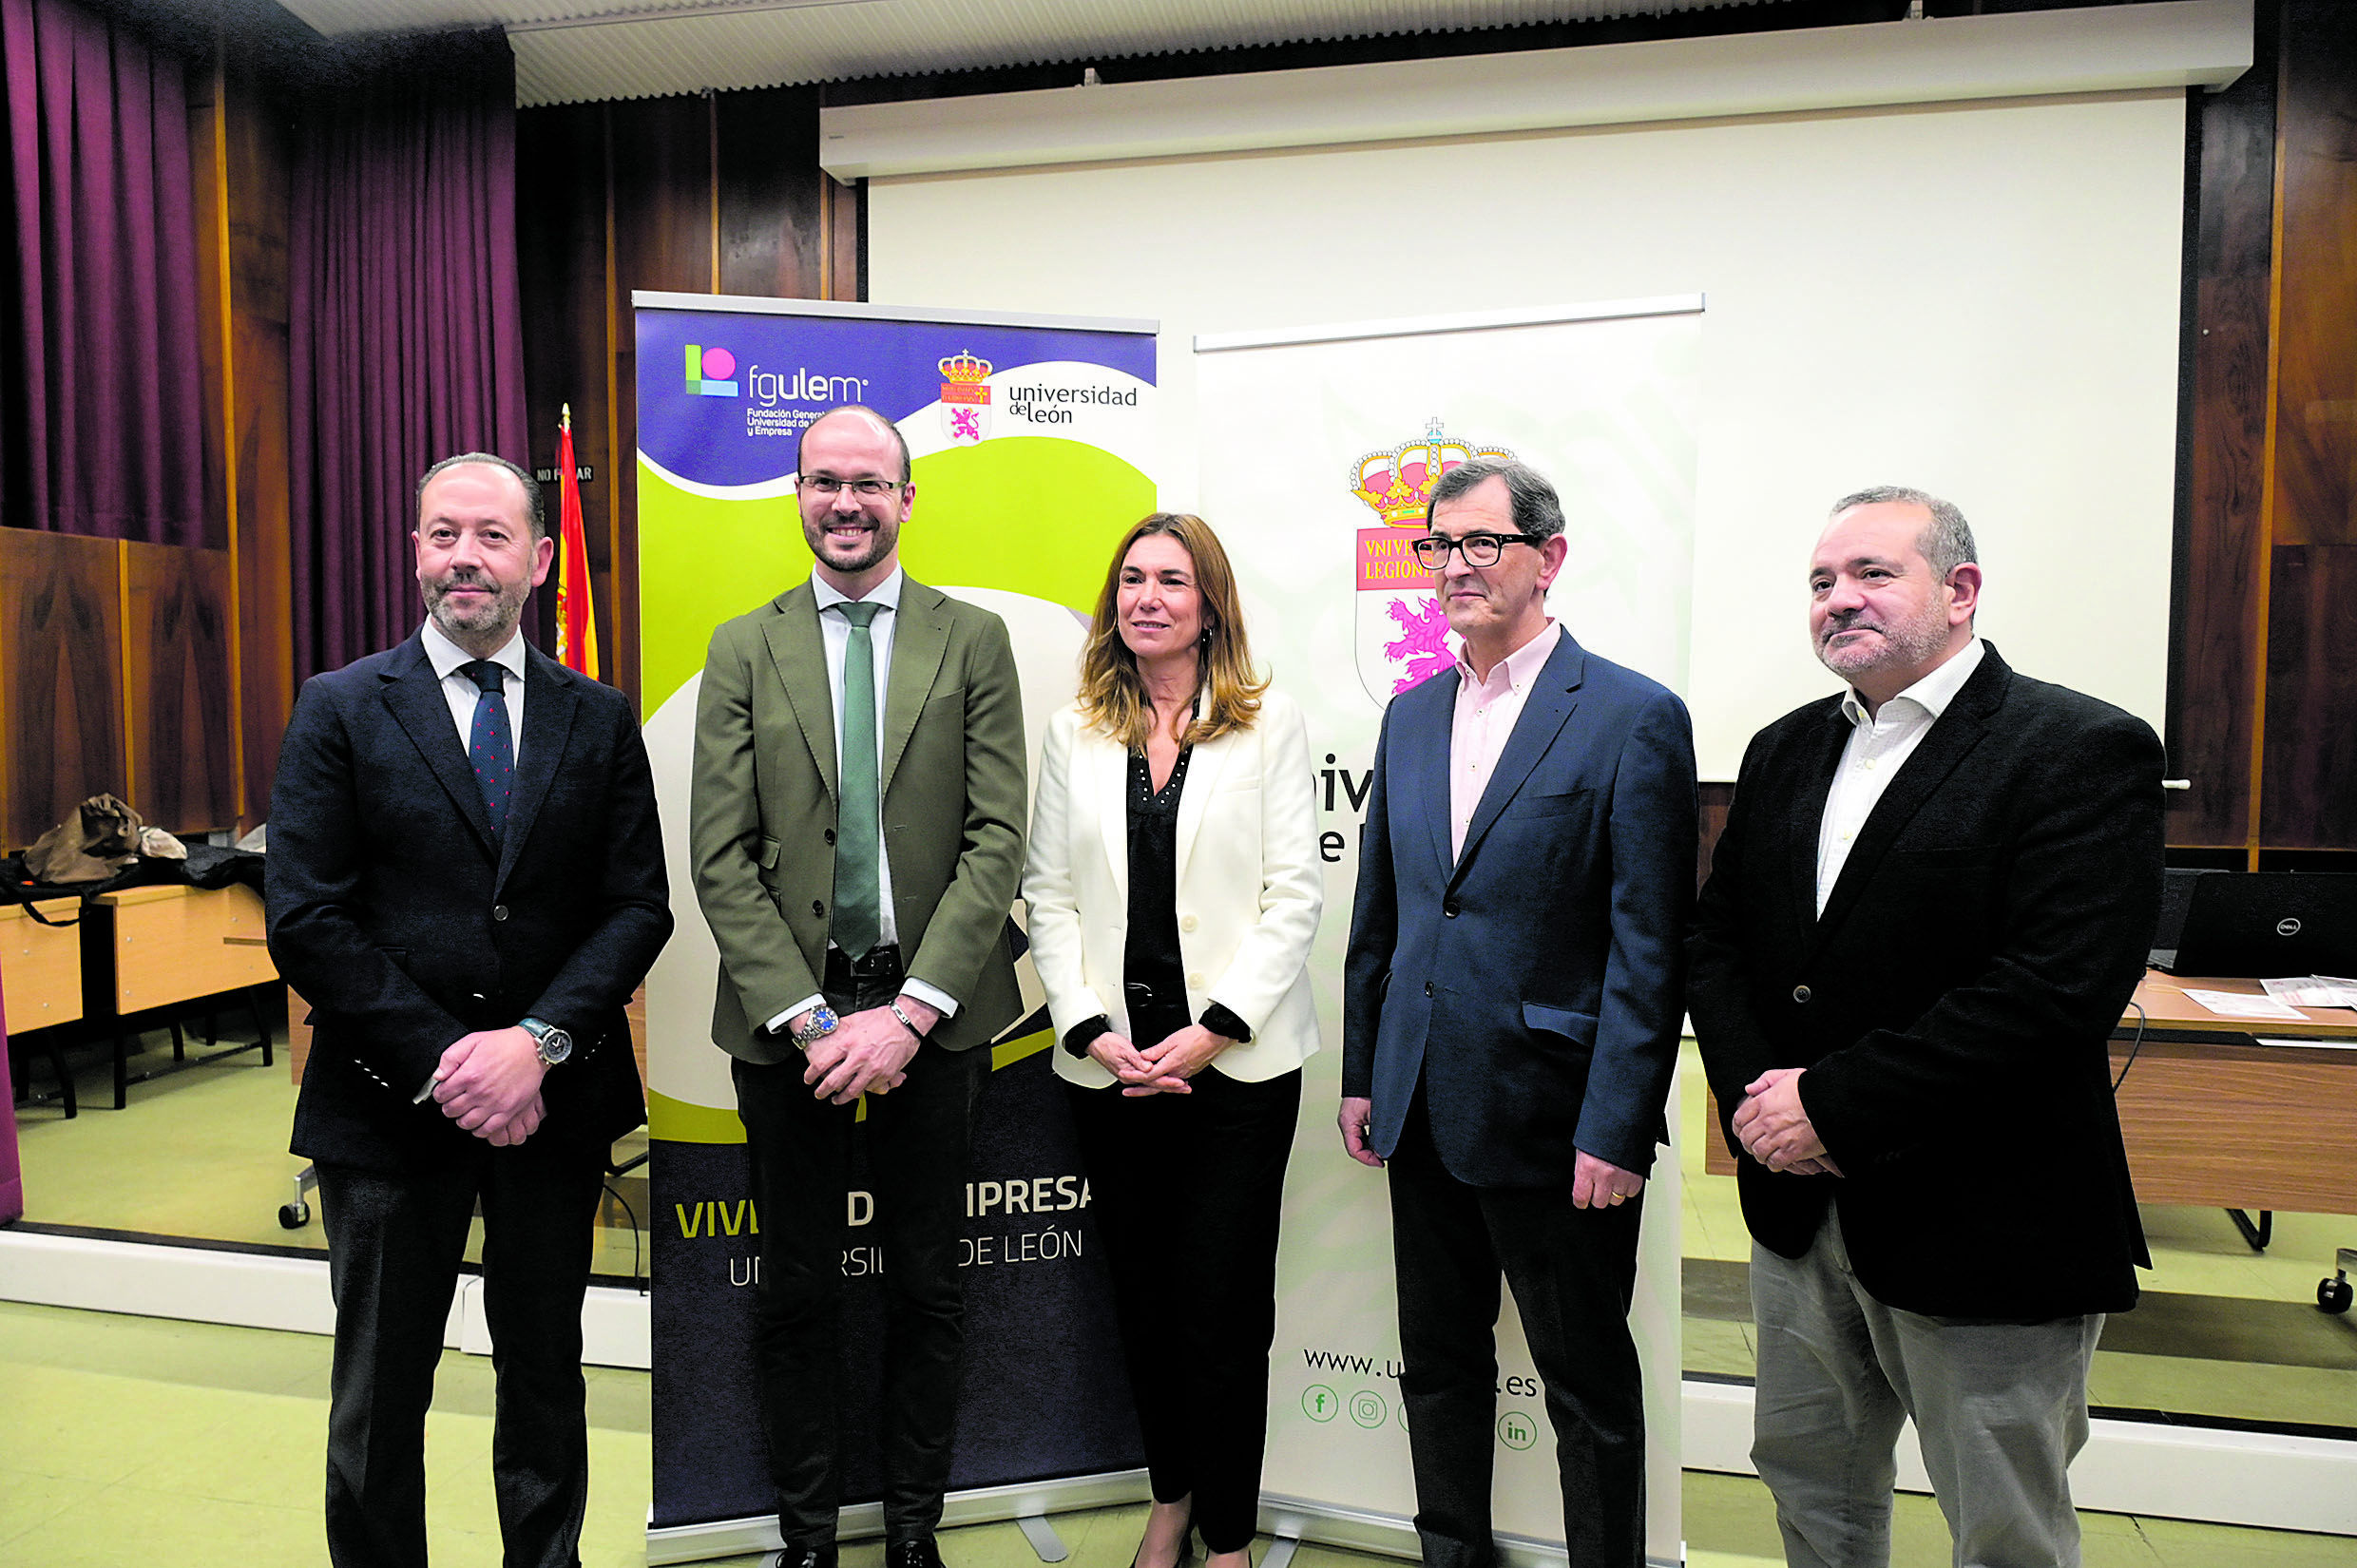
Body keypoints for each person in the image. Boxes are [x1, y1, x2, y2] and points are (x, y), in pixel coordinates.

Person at [1687, 486, 2161, 1568]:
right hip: (1798, 1213)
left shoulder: (2078, 745)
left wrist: (1827, 1105)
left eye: (1869, 574)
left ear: (1959, 591)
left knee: (2001, 1524)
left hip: (1979, 1211)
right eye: (1818, 582)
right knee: (1809, 1485)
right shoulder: (1782, 750)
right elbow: (1714, 944)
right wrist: (1763, 1103)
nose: (1835, 601)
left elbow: (2053, 991)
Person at [266, 451, 673, 1568]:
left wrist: (535, 1047)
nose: (465, 557)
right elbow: (306, 917)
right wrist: (456, 1058)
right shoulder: (341, 707)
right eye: (443, 533)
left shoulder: (596, 719)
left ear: (539, 561)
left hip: (551, 1107)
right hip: (389, 1111)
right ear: (414, 553)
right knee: (379, 1391)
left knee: (543, 1375)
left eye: (492, 537)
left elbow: (638, 905)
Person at [1340, 456, 1696, 1568]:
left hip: (1555, 1122)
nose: (1454, 565)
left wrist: (1617, 1125)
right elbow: (1383, 923)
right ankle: (1451, 1550)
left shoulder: (1632, 716)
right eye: (1437, 546)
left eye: (1480, 543)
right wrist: (1362, 1073)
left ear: (1547, 558)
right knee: (1435, 1364)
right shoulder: (1406, 717)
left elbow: (1650, 946)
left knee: (1585, 1384)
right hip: (1418, 1104)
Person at [689, 404, 1027, 1568]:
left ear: (906, 499)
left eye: (868, 483)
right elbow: (719, 855)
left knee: (928, 1288)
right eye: (823, 480)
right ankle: (806, 1538)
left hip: (935, 1019)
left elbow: (996, 839)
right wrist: (817, 1018)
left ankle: (914, 1534)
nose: (845, 501)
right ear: (796, 495)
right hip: (789, 1026)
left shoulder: (971, 639)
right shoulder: (743, 645)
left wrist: (912, 1011)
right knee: (795, 1291)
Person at [1022, 513, 1324, 1568]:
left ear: (1209, 607)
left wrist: (1213, 1030)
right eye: (1132, 580)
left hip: (1233, 1070)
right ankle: (1169, 1497)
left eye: (1172, 581)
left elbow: (1295, 896)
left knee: (1225, 1312)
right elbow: (1046, 897)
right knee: (1144, 1302)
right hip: (1108, 1069)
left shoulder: (1267, 723)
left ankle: (1228, 1536)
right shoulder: (1074, 732)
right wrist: (1091, 1032)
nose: (1147, 597)